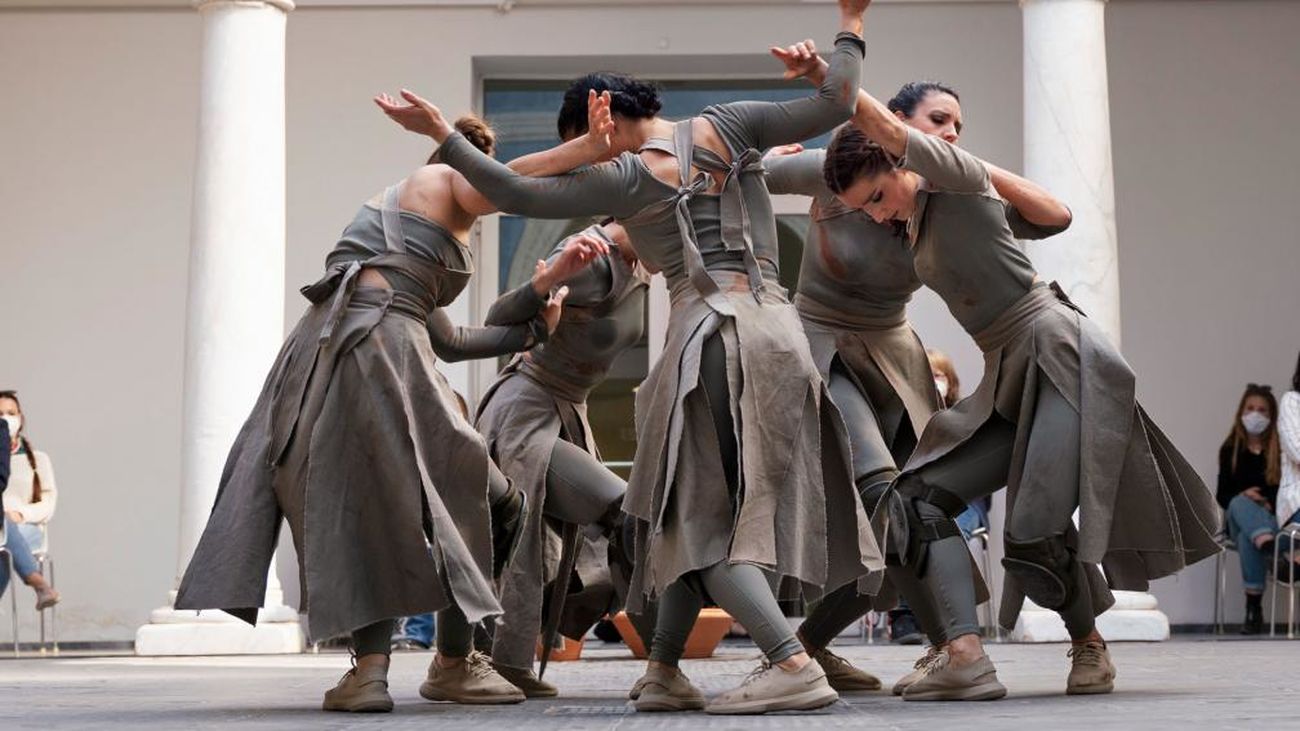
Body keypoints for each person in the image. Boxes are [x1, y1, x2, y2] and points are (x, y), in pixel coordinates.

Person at [398, 0, 881, 714]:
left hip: (710, 334)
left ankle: (790, 659)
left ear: (605, 115)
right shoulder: (731, 124)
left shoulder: (626, 178)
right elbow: (838, 100)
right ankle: (661, 667)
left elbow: (509, 188)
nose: (592, 154)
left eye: (589, 140)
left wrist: (444, 132)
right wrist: (851, 22)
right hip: (778, 329)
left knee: (688, 518)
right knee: (677, 508)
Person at [174, 101, 616, 713]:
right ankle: (405, 669)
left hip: (373, 350)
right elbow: (510, 183)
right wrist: (587, 152)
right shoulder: (435, 180)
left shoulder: (408, 248)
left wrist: (535, 330)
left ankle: (426, 665)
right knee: (414, 503)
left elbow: (450, 341)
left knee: (449, 501)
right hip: (365, 350)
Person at [819, 67, 1220, 699]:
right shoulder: (917, 216)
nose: (875, 214)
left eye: (876, 198)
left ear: (899, 158)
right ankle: (962, 654)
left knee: (1032, 530)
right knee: (914, 501)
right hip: (1007, 369)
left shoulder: (952, 179)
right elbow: (1047, 216)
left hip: (1057, 353)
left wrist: (836, 63)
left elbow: (1055, 211)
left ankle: (1088, 646)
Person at [761, 60, 1069, 692]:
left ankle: (843, 647)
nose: (951, 133)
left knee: (912, 501)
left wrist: (971, 167)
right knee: (881, 491)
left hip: (897, 353)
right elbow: (743, 174)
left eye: (959, 124)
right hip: (822, 344)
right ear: (894, 125)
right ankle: (949, 649)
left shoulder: (948, 192)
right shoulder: (834, 170)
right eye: (938, 121)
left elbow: (1050, 218)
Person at [469, 222, 648, 697]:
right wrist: (546, 282)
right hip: (527, 408)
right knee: (617, 518)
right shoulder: (590, 256)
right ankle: (663, 664)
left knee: (560, 543)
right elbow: (497, 315)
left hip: (570, 409)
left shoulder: (643, 263)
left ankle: (503, 659)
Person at [1216, 384, 1286, 634]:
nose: (1255, 414)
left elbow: (1286, 490)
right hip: (1238, 517)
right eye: (1251, 408)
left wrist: (1266, 500)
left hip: (1271, 518)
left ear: (1271, 416)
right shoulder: (1230, 449)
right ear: (1241, 412)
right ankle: (1267, 545)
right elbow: (1222, 495)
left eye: (1262, 410)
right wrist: (1245, 496)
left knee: (1250, 537)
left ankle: (1253, 611)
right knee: (1237, 503)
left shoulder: (1280, 450)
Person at [0, 391, 60, 611]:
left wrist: (21, 514)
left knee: (5, 543)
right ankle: (40, 584)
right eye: (0, 414)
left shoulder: (38, 459)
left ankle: (39, 584)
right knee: (3, 545)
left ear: (20, 418)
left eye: (11, 413)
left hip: (28, 528)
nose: (5, 418)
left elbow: (48, 503)